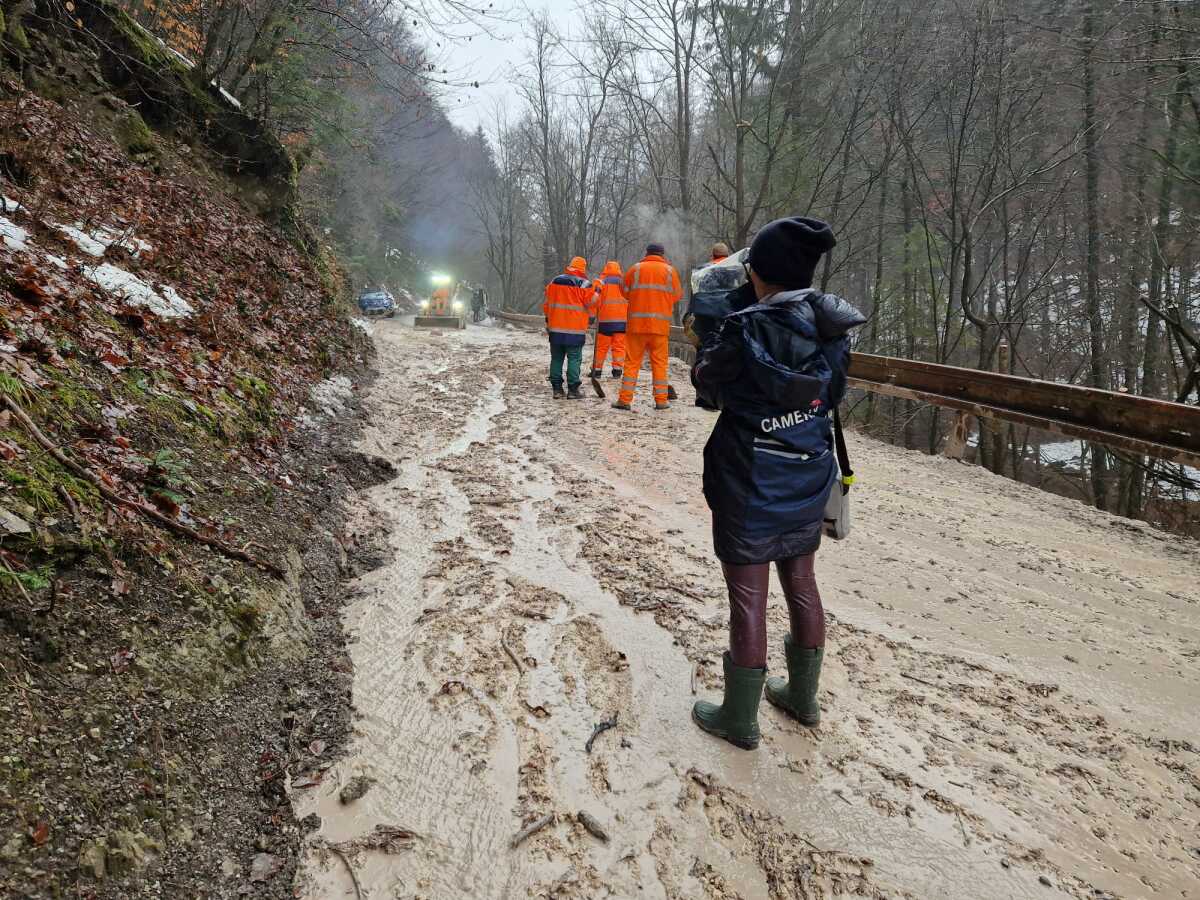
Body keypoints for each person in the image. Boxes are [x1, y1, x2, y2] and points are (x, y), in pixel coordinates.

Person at [689, 216, 866, 750]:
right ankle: (803, 698)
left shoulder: (742, 328)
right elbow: (831, 391)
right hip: (809, 468)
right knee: (802, 580)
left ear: (760, 273)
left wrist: (710, 329)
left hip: (748, 475)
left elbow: (707, 383)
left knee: (748, 596)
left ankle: (739, 717)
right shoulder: (831, 325)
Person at [614, 242, 683, 411]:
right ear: (662, 254)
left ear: (647, 253)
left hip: (636, 326)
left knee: (631, 363)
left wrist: (638, 297)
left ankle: (624, 400)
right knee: (659, 364)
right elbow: (677, 295)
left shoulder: (635, 269)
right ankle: (661, 401)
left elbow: (623, 290)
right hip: (659, 327)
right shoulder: (670, 271)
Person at [543, 256, 594, 400]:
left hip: (556, 328)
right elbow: (592, 303)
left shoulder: (554, 281)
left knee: (557, 358)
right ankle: (573, 390)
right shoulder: (584, 284)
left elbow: (546, 304)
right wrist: (598, 292)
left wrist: (548, 320)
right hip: (575, 330)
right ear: (583, 268)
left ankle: (557, 389)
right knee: (574, 358)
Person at [590, 260, 627, 379]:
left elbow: (594, 301)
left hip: (605, 321)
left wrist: (592, 317)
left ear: (606, 269)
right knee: (619, 346)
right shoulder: (625, 283)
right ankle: (617, 370)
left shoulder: (601, 282)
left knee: (601, 347)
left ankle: (597, 370)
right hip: (622, 322)